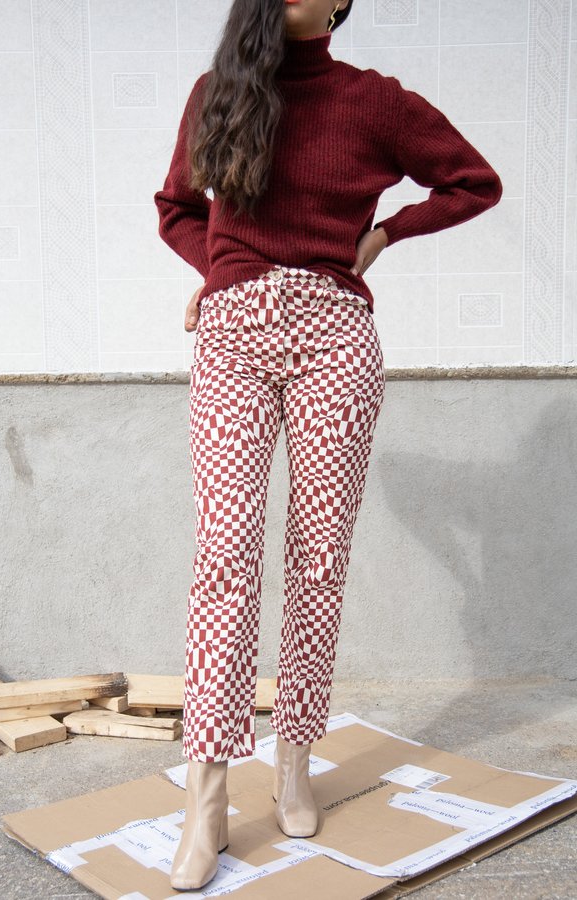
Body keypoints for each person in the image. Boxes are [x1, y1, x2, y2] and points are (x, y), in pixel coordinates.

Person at [153, 0, 502, 890]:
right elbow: (177, 208)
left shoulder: (374, 102)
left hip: (336, 339)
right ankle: (207, 800)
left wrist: (382, 235)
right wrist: (220, 272)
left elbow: (473, 181)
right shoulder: (221, 89)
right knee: (225, 554)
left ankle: (295, 762)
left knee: (319, 557)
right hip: (236, 337)